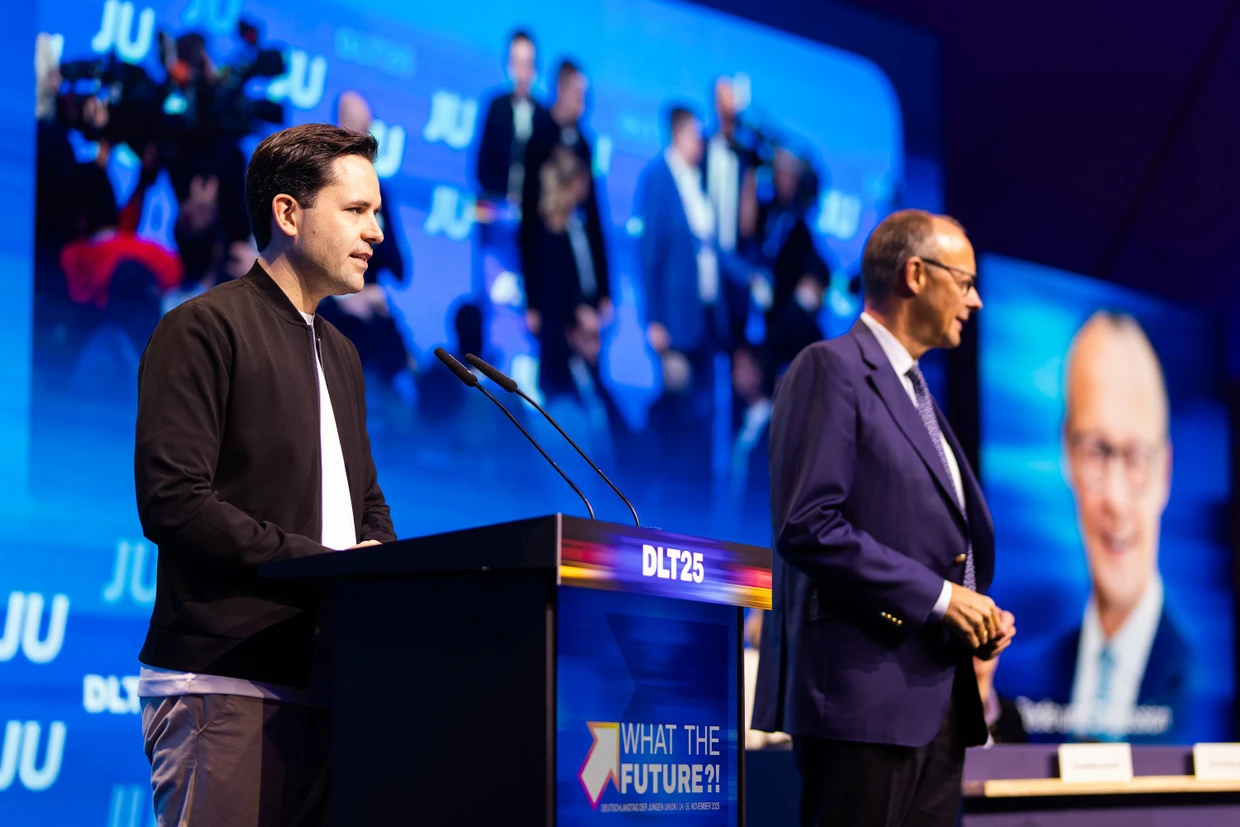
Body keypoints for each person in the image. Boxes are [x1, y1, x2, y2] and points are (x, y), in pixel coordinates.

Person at [134, 123, 398, 826]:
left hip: (330, 682)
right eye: (356, 210)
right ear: (287, 213)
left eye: (377, 212)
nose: (376, 231)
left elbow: (365, 502)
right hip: (227, 679)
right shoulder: (202, 328)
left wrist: (377, 566)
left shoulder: (342, 354)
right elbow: (174, 502)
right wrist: (329, 567)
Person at [753, 209, 1015, 827]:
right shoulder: (830, 368)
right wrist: (943, 599)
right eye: (966, 281)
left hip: (935, 702)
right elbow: (807, 523)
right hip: (861, 703)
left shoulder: (918, 392)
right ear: (916, 274)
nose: (974, 301)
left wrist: (974, 612)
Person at [1042, 311, 1188, 741]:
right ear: (1067, 454)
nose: (1117, 501)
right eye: (1097, 452)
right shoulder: (1032, 678)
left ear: (1165, 472)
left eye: (1137, 457)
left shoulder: (1202, 682)